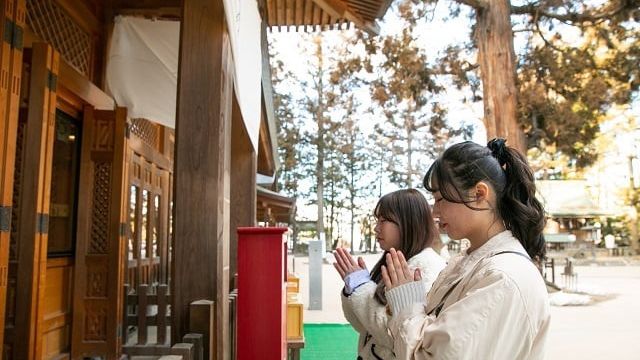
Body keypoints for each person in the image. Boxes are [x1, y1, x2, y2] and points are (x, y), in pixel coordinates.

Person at [381, 138, 550, 360]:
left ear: (479, 194)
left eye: (441, 199)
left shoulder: (503, 278)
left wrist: (407, 308)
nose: (435, 212)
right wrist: (413, 304)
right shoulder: (472, 262)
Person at [333, 188, 447, 360]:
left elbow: (397, 335)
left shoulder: (426, 267)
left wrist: (361, 288)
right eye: (376, 220)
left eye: (384, 220)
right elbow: (364, 326)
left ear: (408, 222)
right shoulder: (394, 260)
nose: (376, 228)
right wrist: (352, 290)